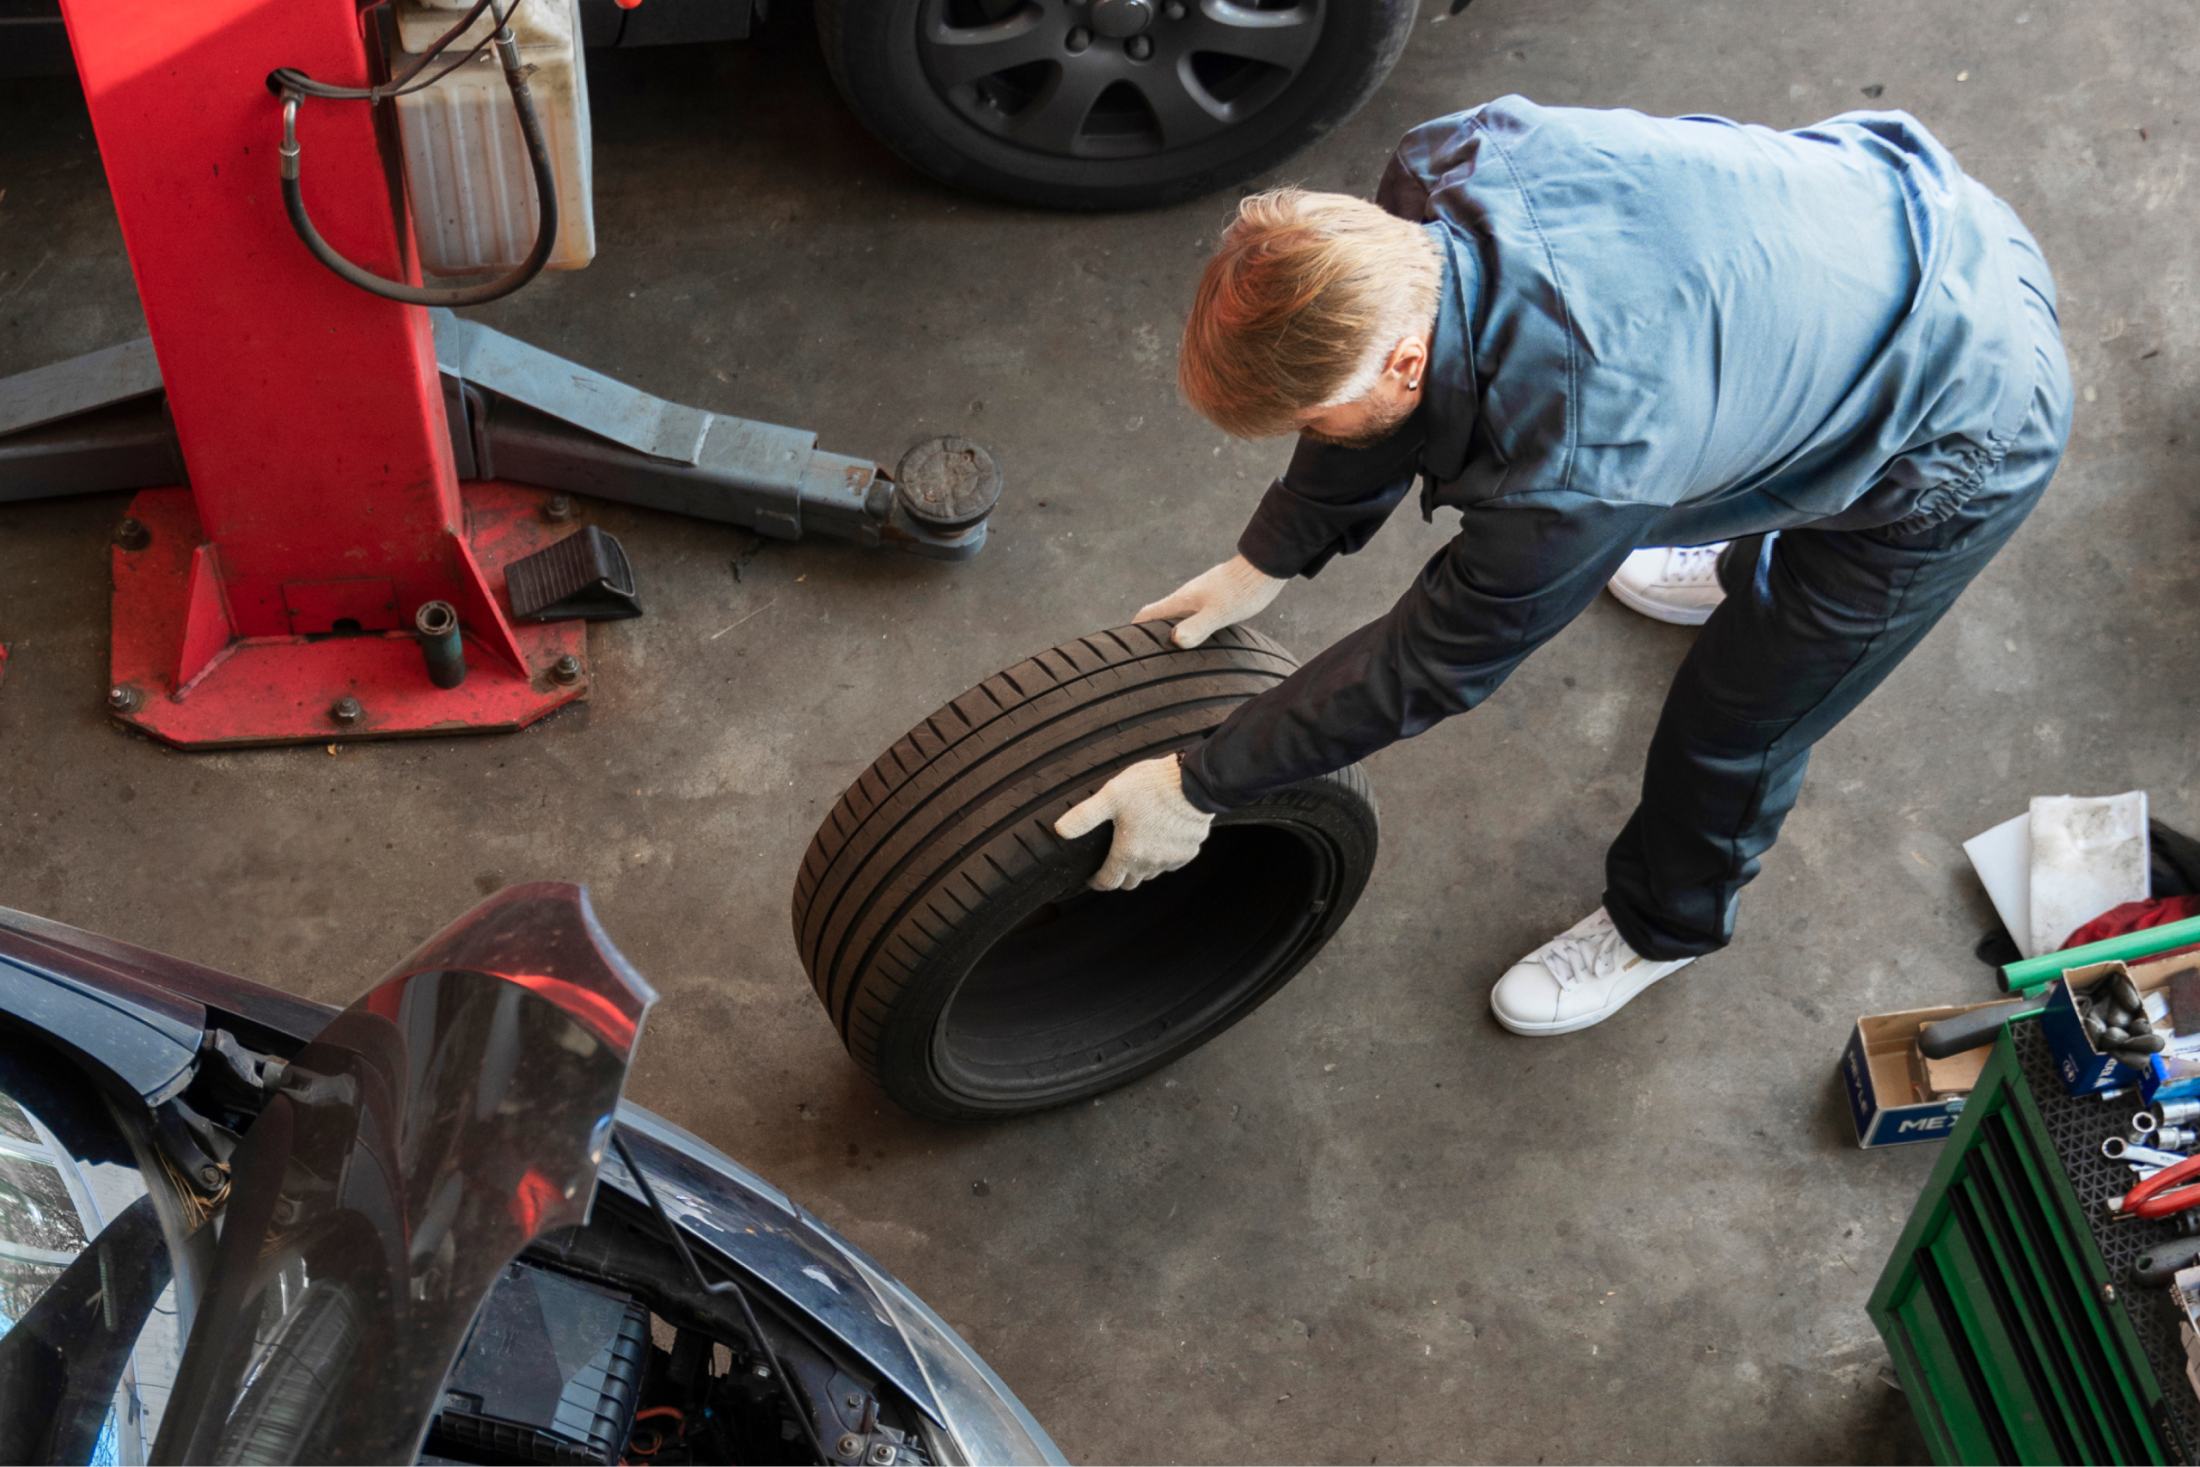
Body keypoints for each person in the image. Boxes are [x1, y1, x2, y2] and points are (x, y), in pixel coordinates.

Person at [1054, 97, 2072, 1037]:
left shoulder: (1573, 468)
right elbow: (1359, 381)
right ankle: (1739, 542)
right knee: (1705, 448)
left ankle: (1662, 929)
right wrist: (1270, 551)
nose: (1313, 433)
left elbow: (1432, 664)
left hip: (1973, 405)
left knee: (1739, 721)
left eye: (1312, 419)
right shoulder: (1437, 171)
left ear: (1404, 363)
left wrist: (1201, 784)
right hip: (1862, 229)